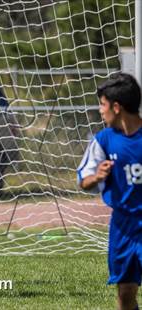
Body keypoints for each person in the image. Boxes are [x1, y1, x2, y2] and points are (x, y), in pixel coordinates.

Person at [77, 73, 142, 310]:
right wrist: (97, 176)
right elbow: (83, 181)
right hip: (123, 227)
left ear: (117, 107)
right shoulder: (103, 140)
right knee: (125, 294)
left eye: (102, 105)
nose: (100, 110)